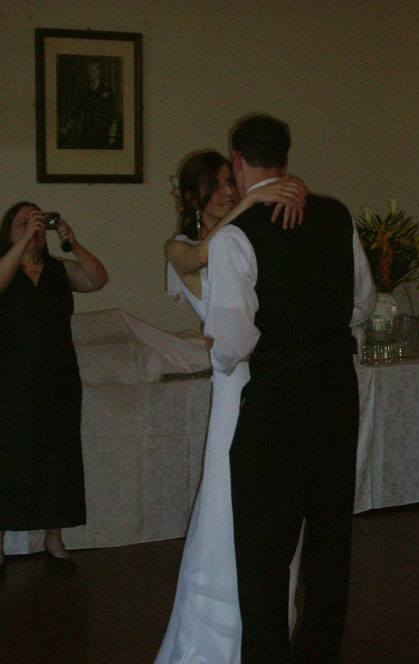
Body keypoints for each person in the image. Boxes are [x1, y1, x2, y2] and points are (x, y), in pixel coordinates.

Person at [203, 113, 376, 664]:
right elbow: (364, 303)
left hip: (277, 395)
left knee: (264, 547)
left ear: (237, 161)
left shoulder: (234, 236)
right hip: (336, 390)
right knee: (329, 540)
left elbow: (233, 342)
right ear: (286, 158)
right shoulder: (335, 214)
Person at [154, 150, 307, 664]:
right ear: (192, 197)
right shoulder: (181, 247)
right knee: (227, 507)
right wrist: (253, 201)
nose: (227, 191)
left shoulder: (248, 240)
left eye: (230, 181)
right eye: (216, 185)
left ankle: (268, 629)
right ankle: (215, 641)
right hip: (233, 389)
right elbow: (199, 257)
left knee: (275, 510)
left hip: (273, 383)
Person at [0, 202, 108, 570]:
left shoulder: (59, 271)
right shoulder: (6, 268)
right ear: (9, 233)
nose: (33, 228)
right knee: (9, 458)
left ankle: (54, 537)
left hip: (57, 379)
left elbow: (97, 279)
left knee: (56, 459)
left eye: (38, 222)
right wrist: (22, 244)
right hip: (11, 381)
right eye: (23, 223)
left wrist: (72, 242)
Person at [59, 60, 119, 149]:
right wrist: (67, 128)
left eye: (93, 71)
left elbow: (113, 115)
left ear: (99, 72)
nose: (90, 73)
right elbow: (76, 112)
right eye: (89, 71)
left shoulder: (107, 90)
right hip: (86, 134)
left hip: (102, 134)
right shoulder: (83, 91)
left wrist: (112, 136)